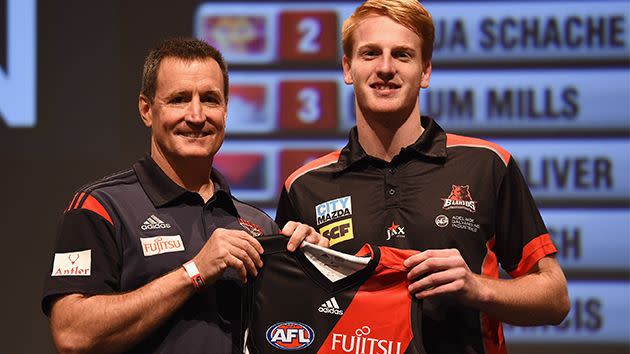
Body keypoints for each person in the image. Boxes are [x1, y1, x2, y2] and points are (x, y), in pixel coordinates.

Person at [275, 0, 570, 353]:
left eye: (402, 55)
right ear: (347, 68)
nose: (385, 68)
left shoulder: (487, 164)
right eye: (370, 53)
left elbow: (555, 297)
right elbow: (289, 323)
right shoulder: (305, 186)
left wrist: (477, 288)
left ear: (425, 71)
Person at [42, 37, 327, 354]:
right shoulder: (99, 207)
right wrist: (194, 272)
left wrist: (313, 275)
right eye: (179, 99)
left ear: (226, 110)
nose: (196, 115)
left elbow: (288, 335)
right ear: (146, 110)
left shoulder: (258, 224)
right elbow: (72, 335)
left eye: (209, 99)